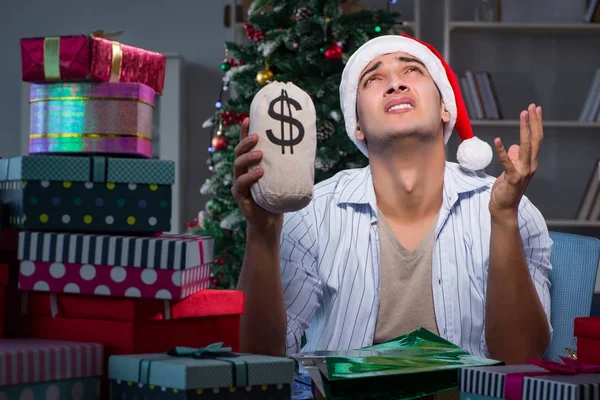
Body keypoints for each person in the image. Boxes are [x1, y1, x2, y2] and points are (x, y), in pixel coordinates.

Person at [232, 34, 552, 365]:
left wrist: (503, 218)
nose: (395, 84)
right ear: (357, 125)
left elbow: (521, 357)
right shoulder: (312, 215)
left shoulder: (510, 208)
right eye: (373, 78)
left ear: (446, 108)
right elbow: (260, 359)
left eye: (412, 71)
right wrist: (263, 233)